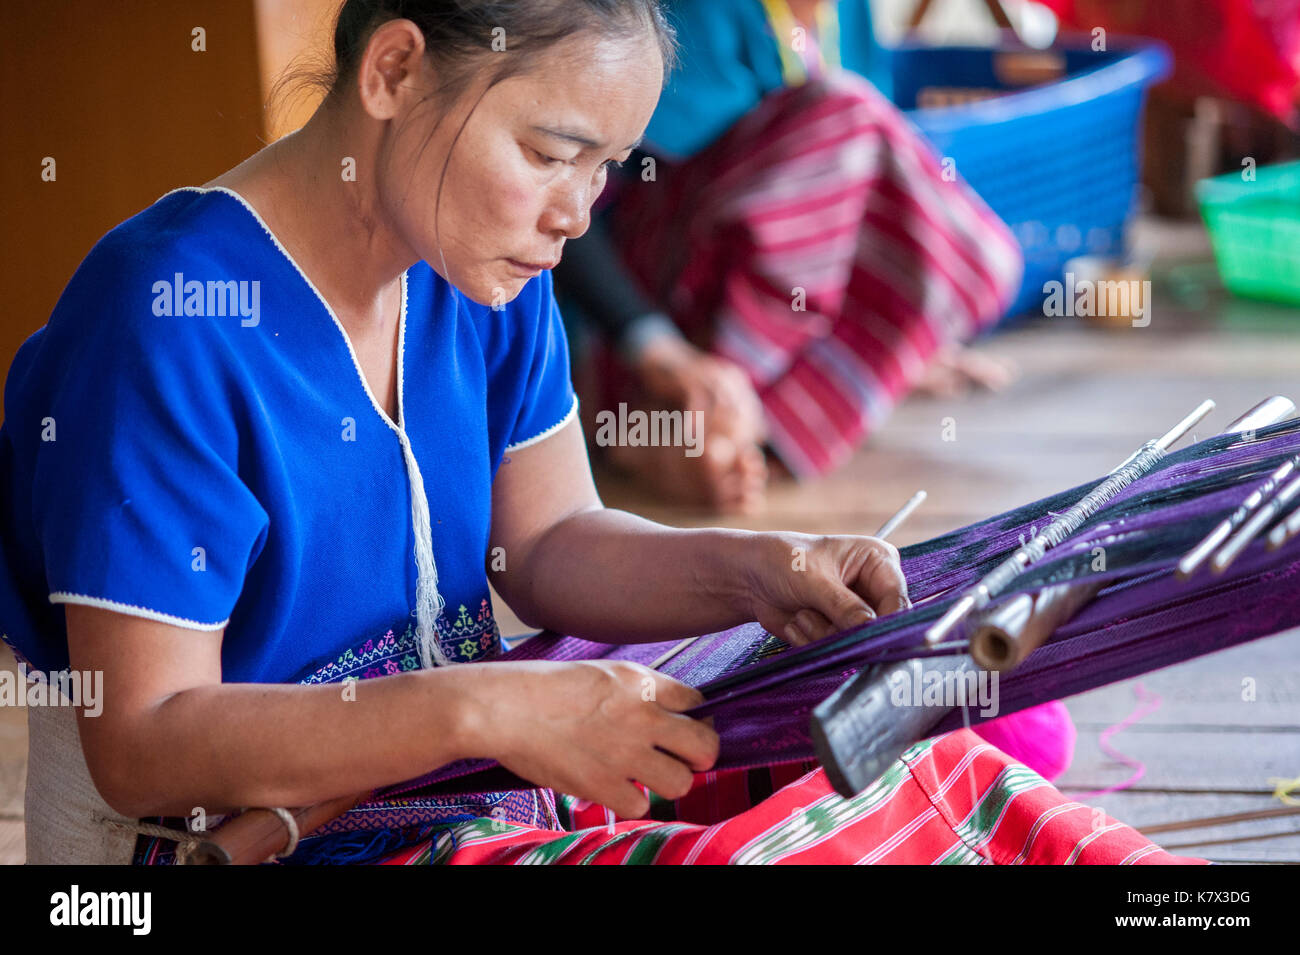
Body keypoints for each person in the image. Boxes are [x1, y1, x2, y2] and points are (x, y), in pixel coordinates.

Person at [0, 0, 1194, 865]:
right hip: (243, 835)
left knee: (953, 724)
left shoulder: (482, 275)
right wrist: (491, 714)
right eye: (549, 154)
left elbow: (554, 540)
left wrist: (758, 569)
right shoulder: (169, 320)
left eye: (606, 171)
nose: (577, 214)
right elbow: (144, 745)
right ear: (396, 70)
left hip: (452, 775)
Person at [554, 0, 1020, 512]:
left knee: (967, 247)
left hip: (751, 301)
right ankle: (674, 417)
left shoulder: (848, 12)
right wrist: (656, 348)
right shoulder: (701, 14)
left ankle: (732, 433)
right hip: (642, 304)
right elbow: (574, 201)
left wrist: (904, 340)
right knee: (847, 116)